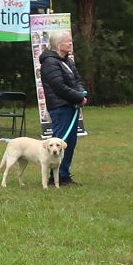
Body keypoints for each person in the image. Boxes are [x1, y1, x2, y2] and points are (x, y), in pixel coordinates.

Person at [39, 29, 86, 185]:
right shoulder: (50, 62)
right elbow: (59, 86)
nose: (71, 43)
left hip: (71, 105)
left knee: (69, 143)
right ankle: (55, 177)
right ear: (58, 45)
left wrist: (81, 92)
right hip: (60, 107)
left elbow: (77, 80)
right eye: (68, 41)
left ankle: (64, 174)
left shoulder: (67, 61)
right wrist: (78, 97)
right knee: (58, 142)